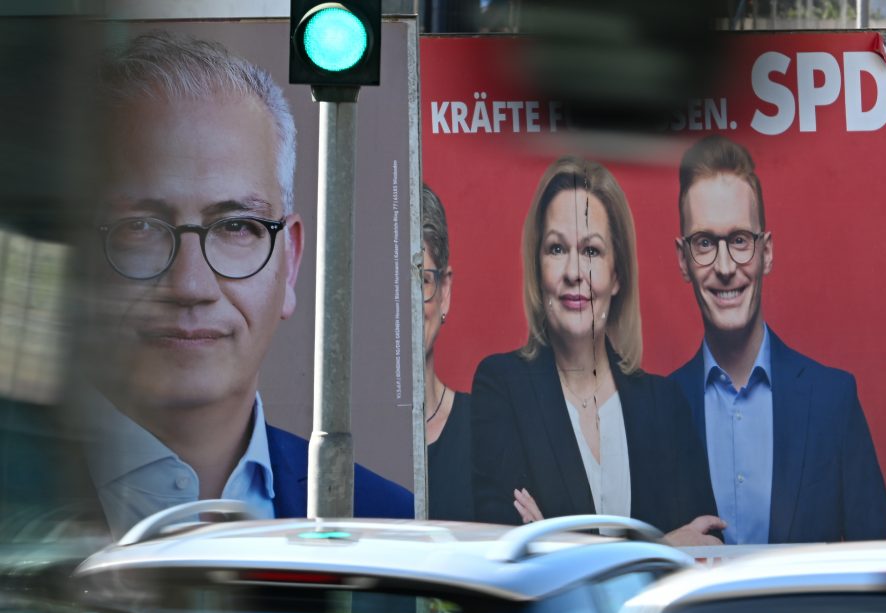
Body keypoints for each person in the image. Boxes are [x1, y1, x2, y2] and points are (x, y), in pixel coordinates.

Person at [87, 32, 410, 537]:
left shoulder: (392, 526)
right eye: (142, 228)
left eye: (237, 226)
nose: (191, 284)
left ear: (292, 260)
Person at [468, 157, 723, 543]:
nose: (574, 272)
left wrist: (557, 547)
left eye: (591, 251)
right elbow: (506, 556)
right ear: (537, 267)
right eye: (556, 249)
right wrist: (662, 549)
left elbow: (706, 546)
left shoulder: (665, 405)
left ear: (617, 274)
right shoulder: (502, 389)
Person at [666, 137, 886, 544]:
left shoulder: (833, 401)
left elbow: (880, 574)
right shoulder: (657, 410)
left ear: (766, 252)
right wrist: (659, 550)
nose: (724, 267)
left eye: (739, 240)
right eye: (704, 243)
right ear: (683, 260)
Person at [420, 184, 474, 521]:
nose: (404, 306)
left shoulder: (488, 432)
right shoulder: (337, 445)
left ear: (445, 291)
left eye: (420, 281)